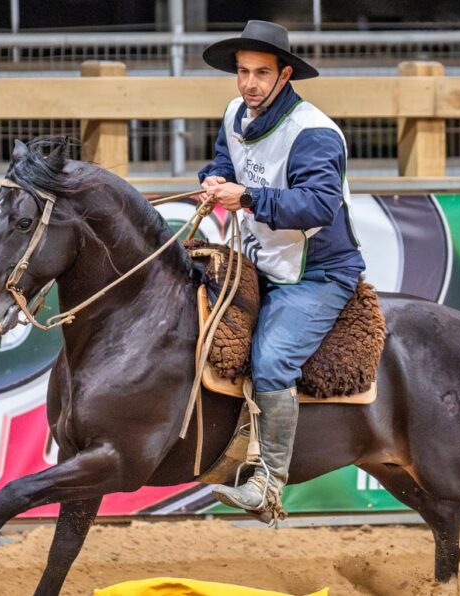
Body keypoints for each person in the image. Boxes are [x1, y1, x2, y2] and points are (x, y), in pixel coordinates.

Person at [197, 20, 366, 520]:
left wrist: (245, 196)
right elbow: (224, 159)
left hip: (318, 271)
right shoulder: (234, 112)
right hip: (262, 260)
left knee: (271, 361)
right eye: (243, 72)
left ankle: (268, 484)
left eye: (261, 73)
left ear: (285, 74)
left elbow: (318, 205)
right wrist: (213, 179)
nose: (248, 83)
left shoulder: (313, 132)